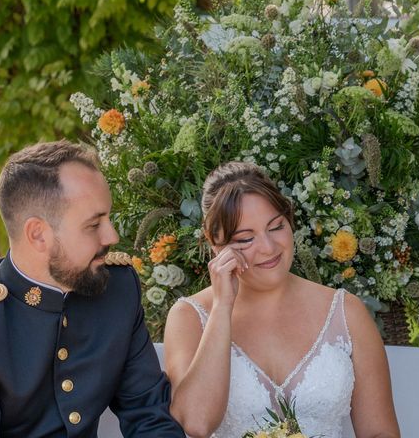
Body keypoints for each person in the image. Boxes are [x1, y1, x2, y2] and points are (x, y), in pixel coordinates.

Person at [0, 140, 185, 437]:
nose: (111, 235)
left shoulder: (117, 290)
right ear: (38, 235)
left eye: (108, 218)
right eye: (93, 224)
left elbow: (150, 417)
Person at [164, 161, 400, 438]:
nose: (268, 248)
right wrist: (222, 307)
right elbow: (195, 423)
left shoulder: (346, 312)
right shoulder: (189, 316)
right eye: (245, 239)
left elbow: (379, 433)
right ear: (215, 242)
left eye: (276, 227)